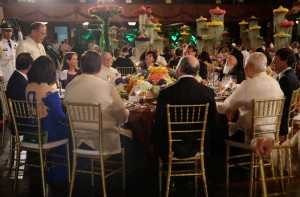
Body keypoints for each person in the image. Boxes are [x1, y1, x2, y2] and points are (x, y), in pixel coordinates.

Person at [63, 50, 133, 185]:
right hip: (103, 142)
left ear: (81, 66)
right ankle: (128, 183)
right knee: (132, 137)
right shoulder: (107, 87)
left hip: (79, 141)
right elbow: (123, 117)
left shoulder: (70, 87)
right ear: (100, 67)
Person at [153, 55, 218, 162]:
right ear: (196, 71)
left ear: (179, 69)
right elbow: (214, 123)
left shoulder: (165, 93)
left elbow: (159, 123)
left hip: (171, 144)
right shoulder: (207, 92)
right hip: (198, 143)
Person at [217, 52, 284, 143]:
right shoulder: (275, 82)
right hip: (271, 134)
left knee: (216, 129)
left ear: (251, 67)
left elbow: (226, 108)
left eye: (245, 65)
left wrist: (213, 102)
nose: (244, 68)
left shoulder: (248, 84)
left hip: (249, 135)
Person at [26, 55, 71, 184]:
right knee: (72, 132)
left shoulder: (28, 86)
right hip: (47, 133)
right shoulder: (49, 90)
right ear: (50, 71)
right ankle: (61, 174)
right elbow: (59, 116)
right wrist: (73, 118)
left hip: (32, 130)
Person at [271, 47, 300, 137]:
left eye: (276, 60)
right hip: (287, 119)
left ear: (285, 61)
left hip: (280, 122)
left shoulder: (285, 79)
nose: (273, 62)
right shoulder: (292, 75)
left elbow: (277, 103)